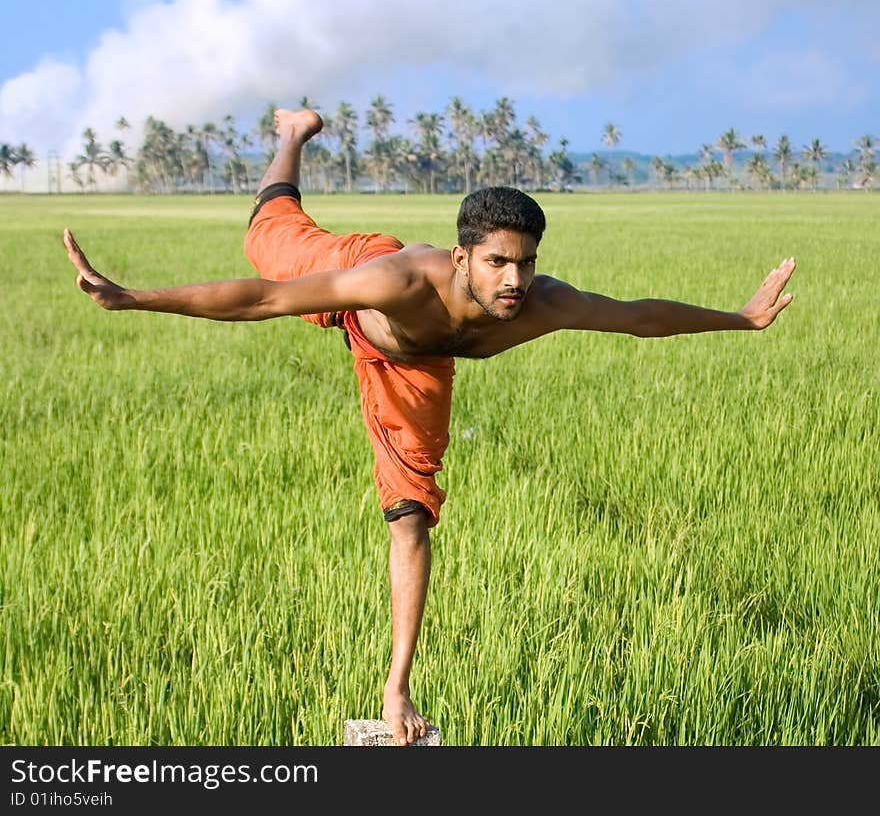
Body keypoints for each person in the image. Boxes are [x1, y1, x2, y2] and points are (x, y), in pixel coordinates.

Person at [63, 107, 797, 746]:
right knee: (270, 234)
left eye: (527, 263)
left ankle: (396, 684)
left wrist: (740, 317)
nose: (515, 280)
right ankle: (293, 132)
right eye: (500, 262)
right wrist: (134, 297)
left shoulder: (543, 301)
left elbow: (640, 317)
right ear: (462, 256)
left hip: (414, 371)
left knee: (410, 519)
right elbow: (262, 297)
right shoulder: (398, 278)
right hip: (359, 295)